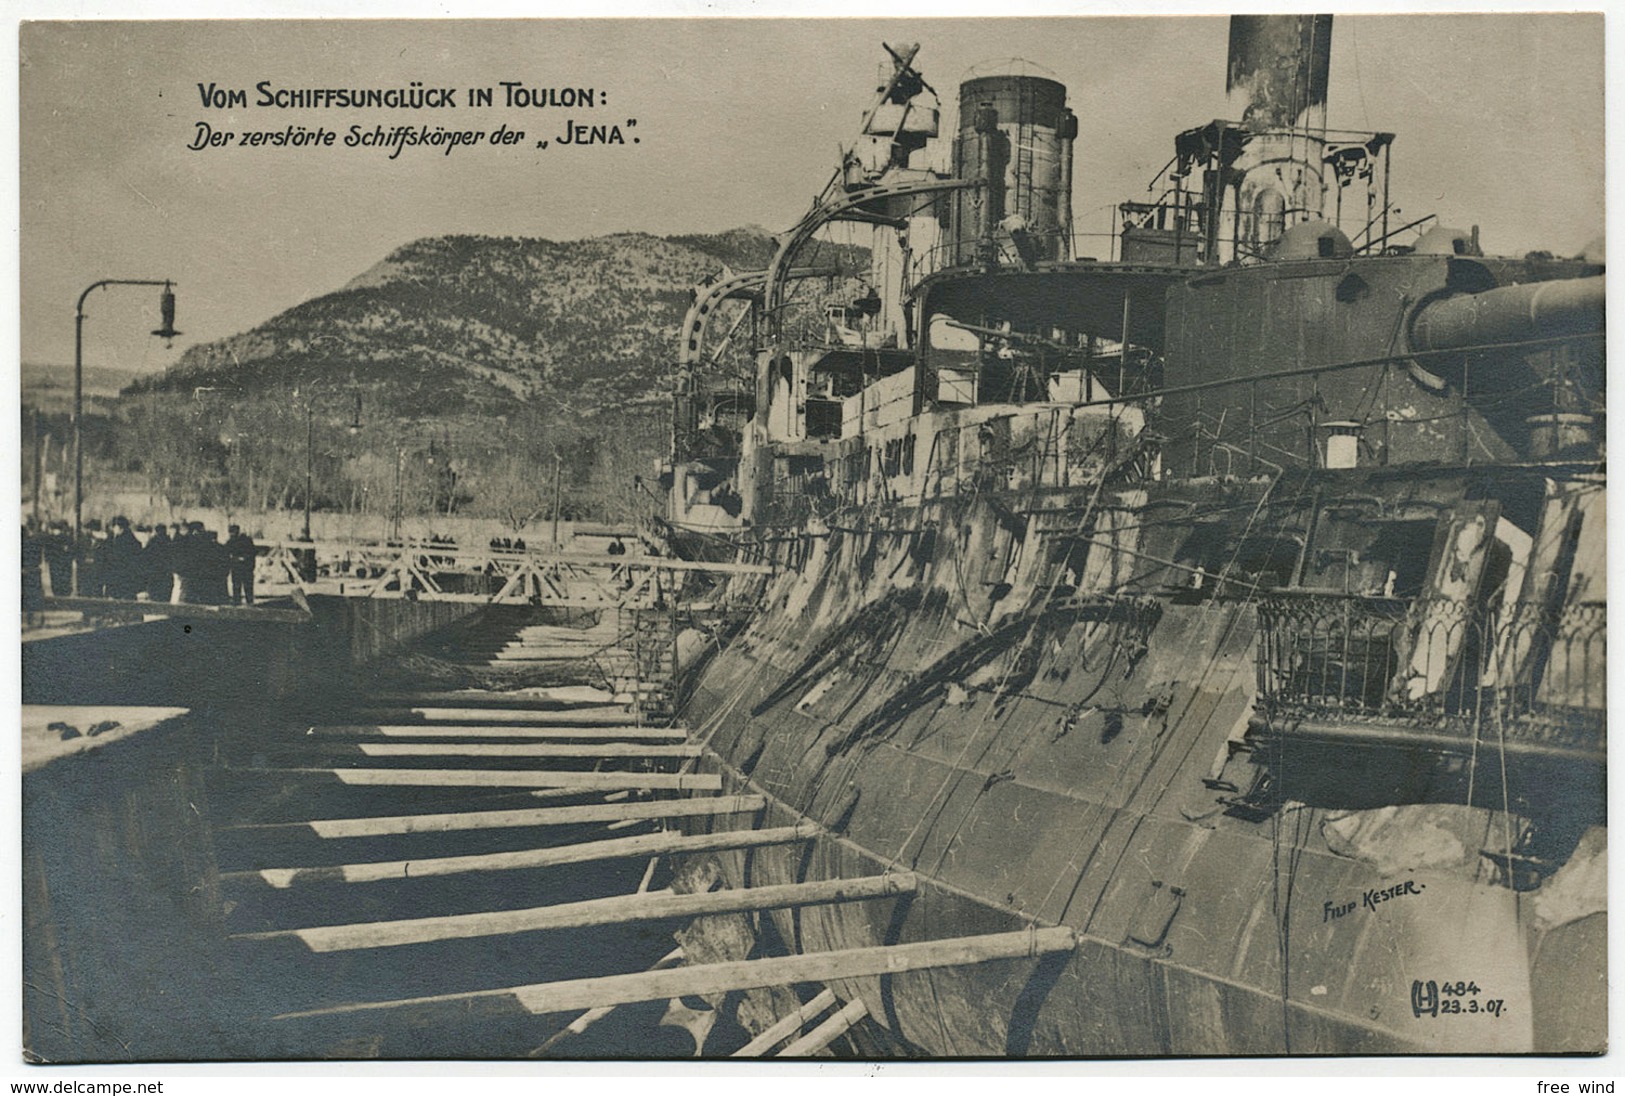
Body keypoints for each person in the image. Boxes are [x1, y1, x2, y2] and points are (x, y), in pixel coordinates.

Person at [225, 524, 257, 605]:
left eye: (232, 532)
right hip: (238, 568)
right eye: (230, 532)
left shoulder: (245, 540)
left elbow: (252, 553)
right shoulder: (231, 541)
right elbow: (226, 552)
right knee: (237, 587)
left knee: (247, 587)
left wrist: (242, 559)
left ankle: (247, 602)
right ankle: (239, 602)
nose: (231, 534)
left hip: (245, 568)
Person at [140, 523, 171, 601]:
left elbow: (145, 555)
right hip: (166, 572)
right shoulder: (169, 541)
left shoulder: (153, 541)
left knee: (154, 593)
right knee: (165, 594)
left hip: (154, 571)